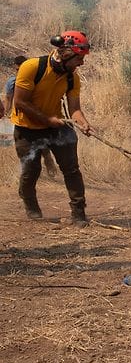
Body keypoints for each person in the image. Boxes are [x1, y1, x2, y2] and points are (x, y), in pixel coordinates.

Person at [9, 31, 94, 226]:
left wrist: (83, 123)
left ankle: (79, 214)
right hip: (27, 128)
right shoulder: (31, 67)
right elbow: (20, 102)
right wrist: (48, 120)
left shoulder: (73, 78)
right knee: (31, 170)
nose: (81, 63)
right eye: (79, 58)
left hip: (56, 125)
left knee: (71, 169)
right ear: (66, 54)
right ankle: (31, 208)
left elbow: (75, 109)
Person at [5, 54, 58, 178]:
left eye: (21, 69)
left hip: (38, 116)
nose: (19, 72)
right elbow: (8, 99)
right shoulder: (12, 82)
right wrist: (7, 113)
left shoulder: (37, 79)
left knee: (42, 143)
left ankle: (48, 160)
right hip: (20, 119)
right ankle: (28, 173)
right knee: (24, 146)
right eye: (17, 70)